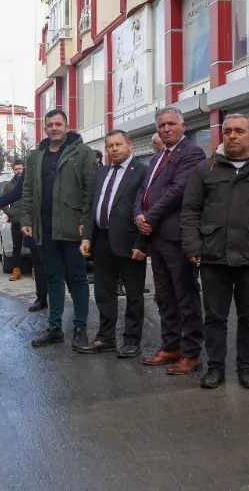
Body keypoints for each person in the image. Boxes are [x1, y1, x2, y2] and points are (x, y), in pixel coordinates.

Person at [181, 114, 249, 389]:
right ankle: (215, 368)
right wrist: (193, 245)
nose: (232, 135)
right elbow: (190, 211)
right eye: (227, 131)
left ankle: (246, 368)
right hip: (213, 256)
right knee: (214, 318)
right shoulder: (205, 169)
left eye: (239, 131)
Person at [134, 106, 206, 375]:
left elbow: (178, 191)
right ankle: (171, 346)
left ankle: (191, 353)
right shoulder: (158, 157)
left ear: (183, 126)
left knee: (186, 297)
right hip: (156, 238)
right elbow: (143, 190)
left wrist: (149, 217)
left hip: (177, 237)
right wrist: (138, 215)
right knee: (164, 296)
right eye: (161, 125)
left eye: (171, 124)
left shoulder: (192, 153)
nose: (166, 129)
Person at [22, 109, 96, 350]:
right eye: (50, 125)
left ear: (66, 126)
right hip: (45, 229)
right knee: (53, 278)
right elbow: (28, 190)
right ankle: (55, 328)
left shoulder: (82, 152)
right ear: (45, 128)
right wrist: (27, 219)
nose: (53, 128)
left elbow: (90, 190)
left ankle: (80, 328)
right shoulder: (36, 156)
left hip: (73, 228)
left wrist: (86, 222)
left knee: (77, 278)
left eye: (58, 124)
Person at [77, 130, 149, 358]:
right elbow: (91, 207)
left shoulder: (142, 172)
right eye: (110, 146)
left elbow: (147, 209)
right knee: (104, 292)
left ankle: (131, 340)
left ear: (130, 145)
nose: (114, 149)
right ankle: (105, 338)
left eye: (119, 144)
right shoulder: (101, 173)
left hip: (130, 242)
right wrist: (87, 237)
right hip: (101, 240)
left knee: (134, 294)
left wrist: (142, 243)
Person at [0, 167, 47, 312]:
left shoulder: (64, 162)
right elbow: (15, 194)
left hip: (59, 223)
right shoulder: (31, 168)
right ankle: (41, 299)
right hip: (35, 224)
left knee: (63, 268)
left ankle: (76, 313)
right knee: (38, 262)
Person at [0, 160, 26, 281]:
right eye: (16, 169)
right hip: (16, 220)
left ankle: (36, 270)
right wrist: (10, 212)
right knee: (16, 246)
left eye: (20, 169)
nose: (18, 171)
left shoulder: (31, 183)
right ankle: (16, 270)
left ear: (24, 169)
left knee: (35, 246)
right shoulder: (9, 186)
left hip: (31, 221)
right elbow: (3, 201)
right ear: (13, 170)